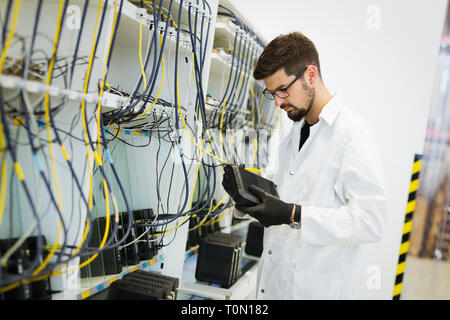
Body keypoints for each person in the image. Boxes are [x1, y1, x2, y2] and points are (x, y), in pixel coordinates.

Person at [222, 32, 387, 299]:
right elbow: (287, 188)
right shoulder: (297, 131)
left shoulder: (352, 133)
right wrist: (250, 198)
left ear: (311, 75)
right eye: (271, 93)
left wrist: (294, 214)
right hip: (278, 285)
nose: (277, 102)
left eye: (282, 90)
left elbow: (371, 221)